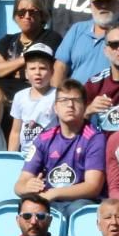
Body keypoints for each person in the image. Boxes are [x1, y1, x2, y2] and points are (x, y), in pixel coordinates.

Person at [15, 79, 105, 217]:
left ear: (85, 106)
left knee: (77, 209)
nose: (70, 105)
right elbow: (19, 185)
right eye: (64, 100)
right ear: (55, 108)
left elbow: (93, 187)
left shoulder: (94, 138)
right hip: (47, 200)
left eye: (76, 100)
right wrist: (28, 187)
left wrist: (54, 193)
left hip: (78, 201)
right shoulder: (43, 138)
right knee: (8, 207)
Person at [0, 0, 62, 99]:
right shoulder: (7, 40)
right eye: (21, 12)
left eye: (32, 12)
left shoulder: (51, 37)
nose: (27, 16)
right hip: (2, 98)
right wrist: (27, 60)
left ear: (42, 15)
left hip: (32, 98)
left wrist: (5, 68)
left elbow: (40, 73)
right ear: (16, 16)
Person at [7, 43, 58, 158]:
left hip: (50, 154)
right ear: (26, 73)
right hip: (25, 155)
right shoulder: (19, 96)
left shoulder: (58, 95)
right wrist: (11, 158)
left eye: (43, 68)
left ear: (52, 72)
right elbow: (15, 132)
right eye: (32, 68)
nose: (37, 73)